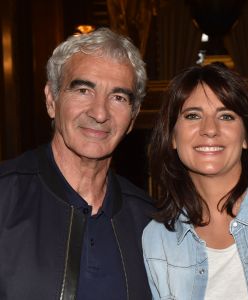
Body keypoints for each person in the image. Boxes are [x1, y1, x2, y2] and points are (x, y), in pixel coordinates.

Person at [0, 27, 154, 300]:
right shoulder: (5, 198)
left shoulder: (149, 221)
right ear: (51, 100)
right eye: (83, 90)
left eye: (118, 97)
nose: (99, 112)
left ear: (133, 117)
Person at [142, 63, 248, 300]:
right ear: (172, 136)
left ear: (246, 136)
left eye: (226, 116)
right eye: (193, 115)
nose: (210, 129)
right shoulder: (157, 239)